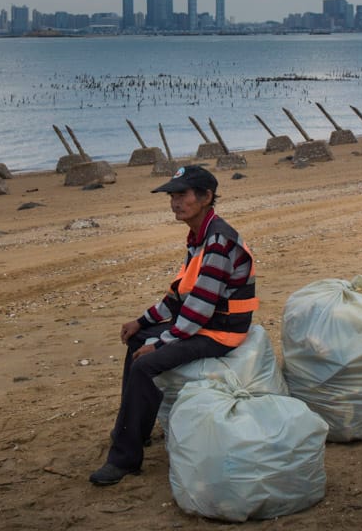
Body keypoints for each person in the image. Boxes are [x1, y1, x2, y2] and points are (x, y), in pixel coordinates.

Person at [89, 165, 257, 486]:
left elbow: (199, 309)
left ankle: (125, 459)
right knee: (137, 343)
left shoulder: (218, 240)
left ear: (207, 197)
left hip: (220, 331)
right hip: (203, 323)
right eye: (172, 196)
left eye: (182, 195)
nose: (175, 203)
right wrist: (141, 322)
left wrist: (162, 342)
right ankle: (132, 429)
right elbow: (179, 295)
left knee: (145, 364)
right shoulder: (199, 236)